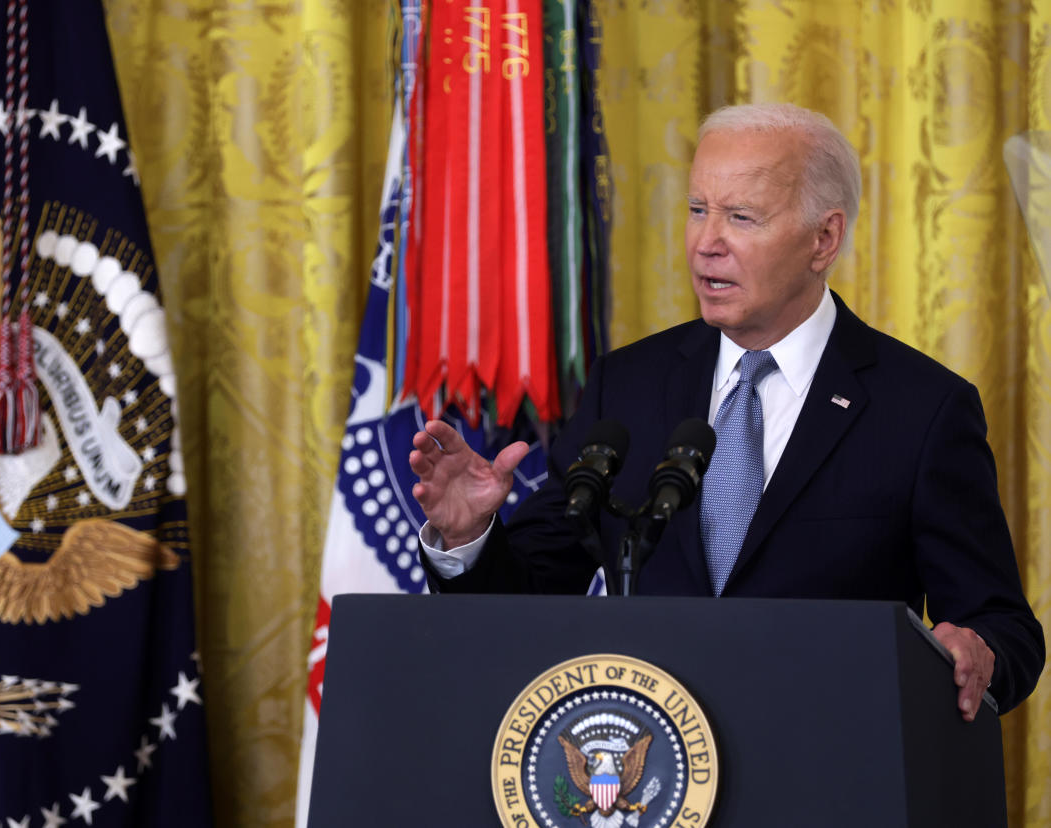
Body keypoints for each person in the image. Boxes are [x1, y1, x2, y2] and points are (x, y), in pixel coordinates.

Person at [409, 102, 1044, 720]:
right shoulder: (625, 386)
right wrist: (468, 538)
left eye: (741, 217)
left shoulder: (923, 407)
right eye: (696, 210)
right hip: (648, 787)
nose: (706, 243)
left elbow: (1004, 625)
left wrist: (977, 651)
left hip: (829, 781)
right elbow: (531, 597)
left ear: (824, 239)